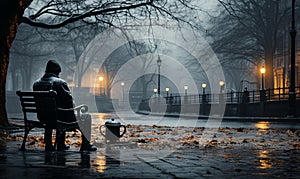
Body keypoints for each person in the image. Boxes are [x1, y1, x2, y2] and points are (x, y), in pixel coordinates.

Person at [33, 60, 97, 151]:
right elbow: (69, 102)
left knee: (58, 112)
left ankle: (53, 145)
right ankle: (85, 145)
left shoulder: (36, 84)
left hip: (43, 116)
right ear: (57, 71)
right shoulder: (60, 83)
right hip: (59, 117)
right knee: (86, 116)